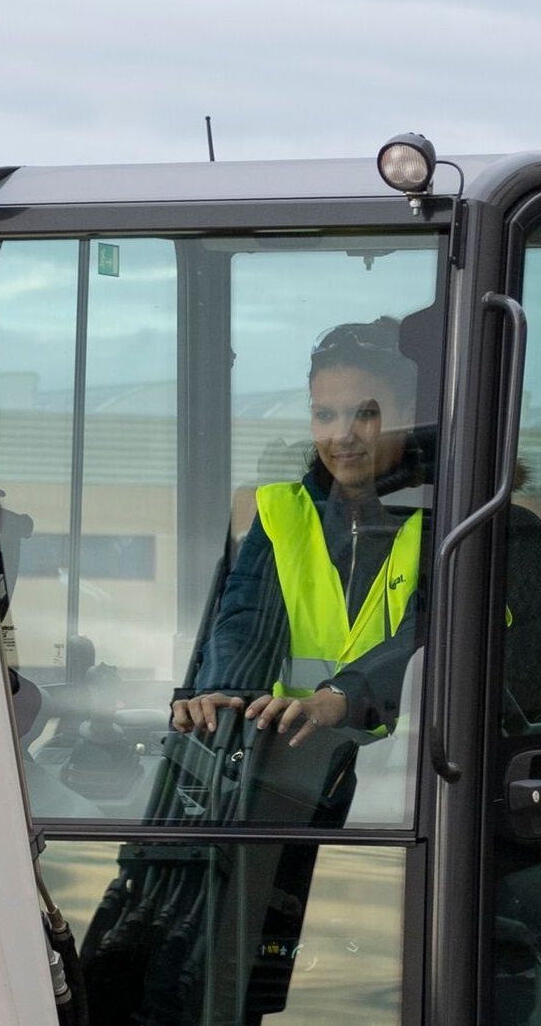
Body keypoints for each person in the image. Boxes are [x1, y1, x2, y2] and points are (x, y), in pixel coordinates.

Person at [172, 316, 425, 748]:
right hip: (296, 777)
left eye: (365, 413)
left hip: (416, 779)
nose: (341, 435)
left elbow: (428, 639)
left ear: (407, 414)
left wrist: (338, 698)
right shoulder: (281, 513)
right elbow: (245, 624)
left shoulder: (456, 519)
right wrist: (223, 693)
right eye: (324, 414)